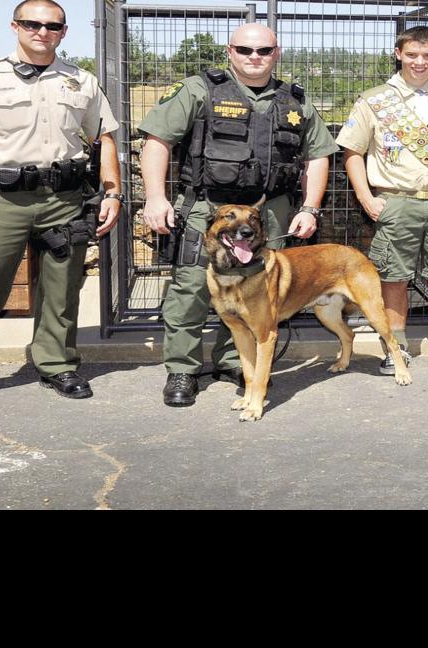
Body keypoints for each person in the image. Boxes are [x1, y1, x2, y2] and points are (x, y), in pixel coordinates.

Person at [0, 0, 121, 409]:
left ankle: (57, 365)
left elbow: (104, 140)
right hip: (2, 200)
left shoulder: (82, 81)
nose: (42, 32)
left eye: (53, 26)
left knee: (62, 288)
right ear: (15, 26)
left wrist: (113, 192)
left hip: (65, 199)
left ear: (64, 32)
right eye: (33, 24)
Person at [139, 23, 339, 407]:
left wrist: (310, 207)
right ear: (229, 51)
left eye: (264, 51)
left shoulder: (293, 99)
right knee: (192, 289)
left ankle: (235, 362)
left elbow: (318, 155)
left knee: (257, 295)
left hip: (270, 212)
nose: (255, 58)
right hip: (207, 208)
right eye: (245, 50)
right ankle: (183, 368)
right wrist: (155, 197)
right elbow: (157, 141)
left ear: (275, 53)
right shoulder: (200, 89)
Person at [337, 26, 428, 375]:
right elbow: (352, 152)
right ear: (399, 53)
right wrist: (366, 197)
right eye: (413, 54)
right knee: (393, 277)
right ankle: (396, 347)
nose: (420, 62)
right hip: (395, 201)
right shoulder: (374, 100)